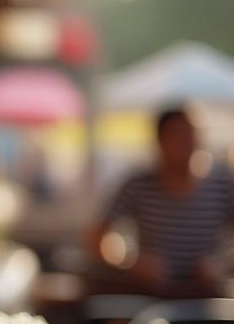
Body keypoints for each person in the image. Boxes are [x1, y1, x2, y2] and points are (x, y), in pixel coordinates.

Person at [88, 106, 234, 296]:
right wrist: (132, 262)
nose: (186, 143)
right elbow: (97, 235)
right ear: (160, 141)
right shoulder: (137, 185)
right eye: (177, 136)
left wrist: (221, 264)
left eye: (190, 135)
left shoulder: (223, 183)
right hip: (152, 296)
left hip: (207, 298)